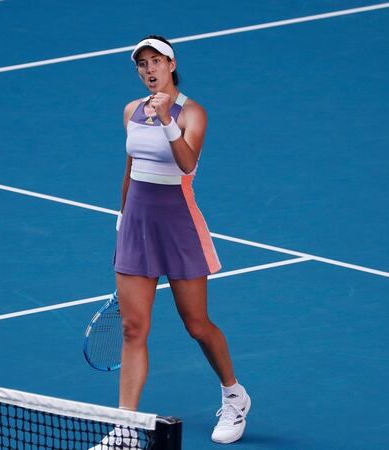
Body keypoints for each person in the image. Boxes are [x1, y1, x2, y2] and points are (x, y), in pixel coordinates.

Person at [93, 36, 251, 449]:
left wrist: (166, 119)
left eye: (156, 61)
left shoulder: (192, 112)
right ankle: (125, 428)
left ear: (171, 64)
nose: (148, 70)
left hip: (178, 226)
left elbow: (187, 163)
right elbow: (130, 166)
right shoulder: (130, 110)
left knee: (196, 325)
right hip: (136, 227)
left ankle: (234, 396)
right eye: (142, 64)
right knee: (132, 328)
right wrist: (122, 217)